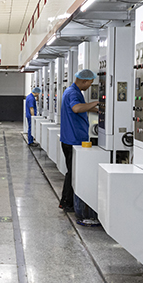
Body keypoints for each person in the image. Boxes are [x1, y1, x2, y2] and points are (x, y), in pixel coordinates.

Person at [59, 69, 98, 212]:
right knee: (72, 172)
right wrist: (96, 102)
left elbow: (81, 107)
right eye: (90, 83)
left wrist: (97, 109)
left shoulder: (72, 91)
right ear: (85, 81)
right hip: (73, 139)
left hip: (70, 138)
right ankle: (66, 202)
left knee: (72, 171)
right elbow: (76, 108)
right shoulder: (74, 93)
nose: (90, 86)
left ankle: (67, 201)